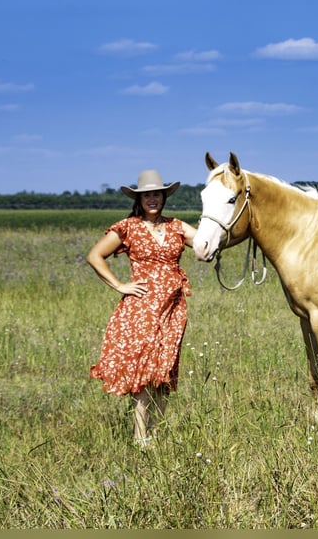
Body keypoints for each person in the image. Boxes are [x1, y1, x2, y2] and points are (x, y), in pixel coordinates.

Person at [87, 169, 197, 447]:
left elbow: (208, 243)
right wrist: (120, 285)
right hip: (142, 307)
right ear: (139, 198)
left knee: (165, 368)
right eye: (147, 194)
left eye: (157, 194)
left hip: (173, 307)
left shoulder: (176, 226)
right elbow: (95, 256)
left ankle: (155, 433)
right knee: (145, 368)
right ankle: (140, 437)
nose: (152, 199)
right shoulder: (128, 227)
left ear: (163, 197)